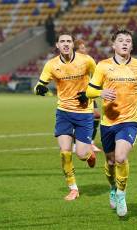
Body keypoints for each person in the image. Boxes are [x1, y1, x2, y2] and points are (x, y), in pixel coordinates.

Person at [86, 29, 137, 217]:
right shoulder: (103, 66)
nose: (125, 43)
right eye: (121, 40)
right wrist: (100, 93)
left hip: (130, 120)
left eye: (128, 41)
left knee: (121, 157)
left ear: (132, 45)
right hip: (108, 122)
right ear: (113, 45)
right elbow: (89, 91)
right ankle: (113, 189)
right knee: (110, 161)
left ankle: (122, 194)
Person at [34, 33, 97, 201]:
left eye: (69, 41)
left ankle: (89, 155)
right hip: (63, 112)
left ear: (72, 44)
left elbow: (100, 80)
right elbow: (40, 85)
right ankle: (73, 188)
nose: (66, 44)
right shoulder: (51, 65)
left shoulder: (86, 60)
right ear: (57, 45)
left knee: (82, 154)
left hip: (84, 113)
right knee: (64, 152)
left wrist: (89, 94)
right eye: (62, 41)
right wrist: (41, 90)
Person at [74, 39, 101, 152]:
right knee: (79, 119)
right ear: (76, 51)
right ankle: (76, 144)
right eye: (82, 48)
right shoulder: (72, 63)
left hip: (87, 92)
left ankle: (89, 143)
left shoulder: (87, 60)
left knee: (96, 115)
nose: (85, 50)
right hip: (77, 94)